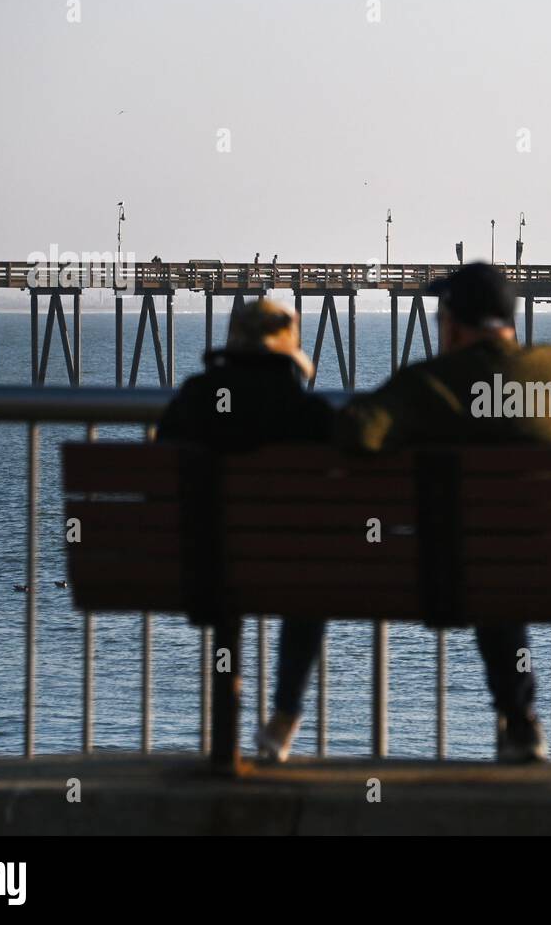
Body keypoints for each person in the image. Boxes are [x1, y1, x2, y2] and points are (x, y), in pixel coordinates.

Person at [335, 262, 551, 763]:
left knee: (489, 551)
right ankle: (525, 722)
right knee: (502, 545)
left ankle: (519, 720)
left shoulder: (433, 383)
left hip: (448, 576)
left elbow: (358, 432)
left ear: (454, 326)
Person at [156, 298, 332, 762]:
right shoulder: (309, 415)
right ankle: (284, 716)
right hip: (292, 579)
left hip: (195, 570)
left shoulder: (193, 400)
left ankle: (223, 745)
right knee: (311, 578)